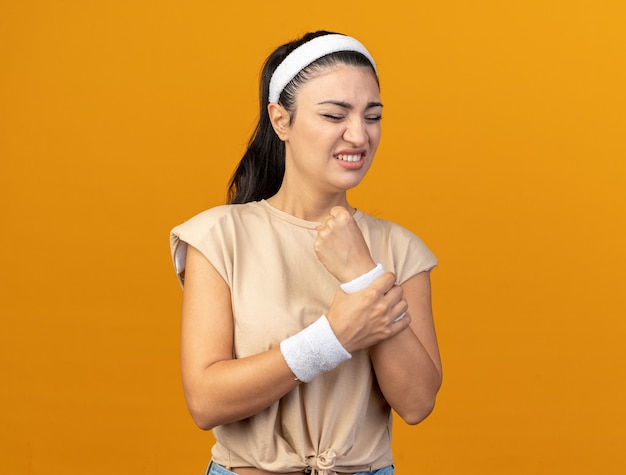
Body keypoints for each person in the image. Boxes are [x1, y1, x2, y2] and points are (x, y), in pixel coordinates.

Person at [170, 31, 442, 475]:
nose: (358, 135)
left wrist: (362, 274)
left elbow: (416, 403)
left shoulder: (400, 250)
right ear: (281, 121)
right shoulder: (220, 236)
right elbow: (205, 402)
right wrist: (333, 338)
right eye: (335, 115)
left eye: (372, 116)